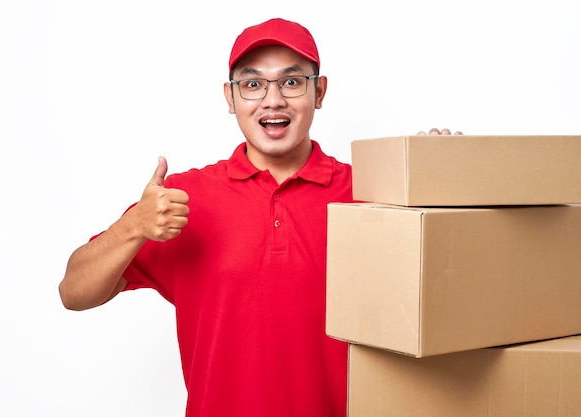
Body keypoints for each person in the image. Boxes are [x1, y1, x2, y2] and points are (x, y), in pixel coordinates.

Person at [59, 17, 459, 417]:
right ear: (230, 99)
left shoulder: (370, 193)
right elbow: (74, 293)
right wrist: (133, 226)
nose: (273, 100)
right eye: (252, 85)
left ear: (318, 92)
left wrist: (443, 196)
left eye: (291, 82)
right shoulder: (181, 199)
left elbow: (446, 296)